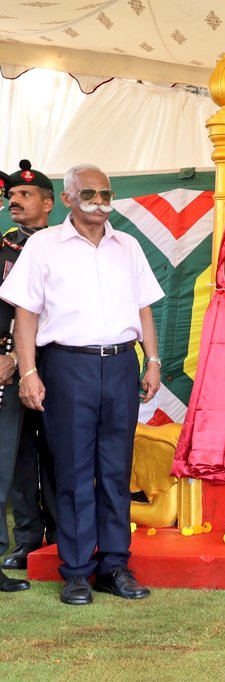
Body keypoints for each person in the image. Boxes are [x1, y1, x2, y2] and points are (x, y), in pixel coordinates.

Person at [0, 163, 164, 606]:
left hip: (120, 364)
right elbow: (25, 315)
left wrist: (152, 360)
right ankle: (75, 570)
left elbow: (145, 307)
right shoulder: (44, 247)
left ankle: (114, 565)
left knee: (115, 470)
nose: (98, 202)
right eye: (88, 193)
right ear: (68, 199)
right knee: (72, 471)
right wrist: (29, 372)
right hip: (67, 366)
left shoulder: (127, 245)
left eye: (105, 194)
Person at [0, 161, 58, 577]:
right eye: (11, 197)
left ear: (48, 203)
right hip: (8, 361)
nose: (13, 202)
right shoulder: (3, 246)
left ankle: (58, 538)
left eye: (24, 195)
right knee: (17, 453)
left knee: (57, 451)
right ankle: (26, 539)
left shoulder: (64, 244)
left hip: (55, 360)